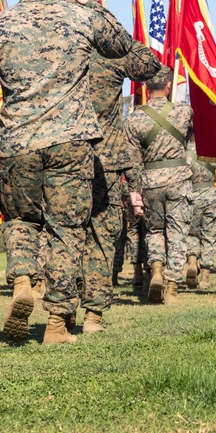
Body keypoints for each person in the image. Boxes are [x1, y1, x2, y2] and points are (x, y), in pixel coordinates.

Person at [0, 0, 134, 344]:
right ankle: (57, 324)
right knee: (65, 230)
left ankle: (22, 279)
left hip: (16, 143)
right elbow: (122, 44)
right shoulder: (82, 17)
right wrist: (91, 3)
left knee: (21, 219)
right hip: (72, 142)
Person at [83, 41, 160, 330]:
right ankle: (92, 316)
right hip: (107, 164)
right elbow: (149, 63)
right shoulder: (110, 61)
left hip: (64, 159)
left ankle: (59, 315)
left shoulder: (58, 55)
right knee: (102, 242)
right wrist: (135, 186)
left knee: (64, 238)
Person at [123, 66, 194, 304]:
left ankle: (155, 270)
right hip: (179, 179)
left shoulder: (133, 119)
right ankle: (172, 287)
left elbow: (132, 161)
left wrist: (135, 190)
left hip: (150, 181)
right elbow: (192, 139)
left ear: (144, 87)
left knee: (154, 231)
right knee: (177, 233)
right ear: (168, 87)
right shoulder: (184, 112)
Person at [185, 153, 216, 290]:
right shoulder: (211, 149)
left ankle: (192, 262)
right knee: (209, 237)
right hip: (210, 195)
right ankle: (205, 278)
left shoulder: (185, 150)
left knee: (191, 234)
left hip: (191, 195)